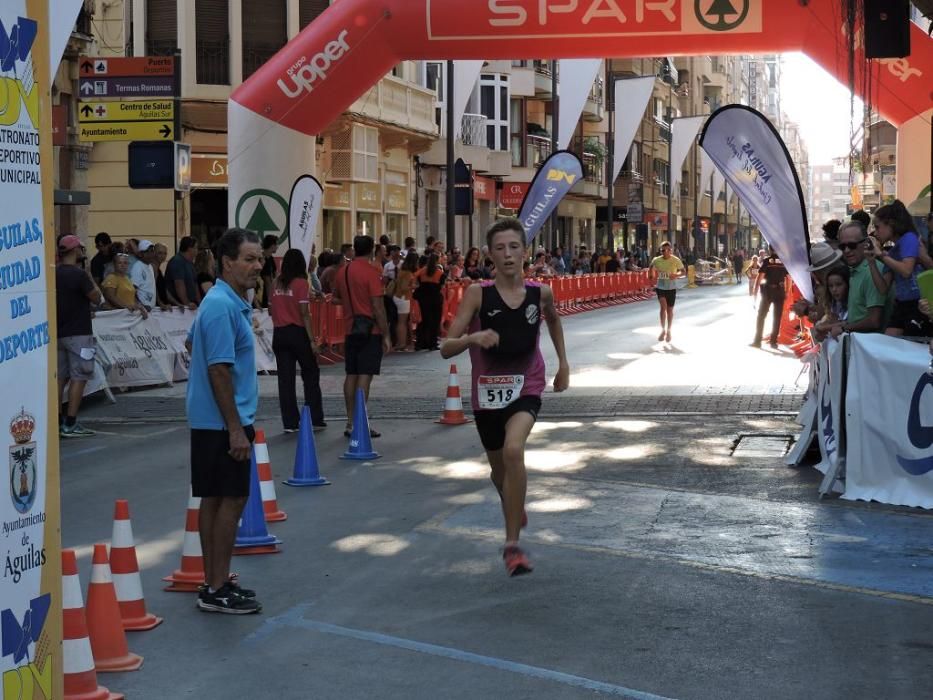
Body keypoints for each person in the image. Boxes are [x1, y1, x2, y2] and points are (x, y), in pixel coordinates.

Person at [441, 218, 570, 576]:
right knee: (500, 473)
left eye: (514, 247)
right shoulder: (477, 294)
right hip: (487, 396)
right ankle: (512, 500)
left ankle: (512, 546)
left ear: (525, 252)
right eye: (500, 248)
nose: (508, 254)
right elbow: (445, 348)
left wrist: (563, 365)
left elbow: (555, 321)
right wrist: (471, 338)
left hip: (527, 384)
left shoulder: (540, 293)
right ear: (489, 255)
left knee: (515, 450)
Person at [186, 228, 263, 614]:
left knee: (216, 500)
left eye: (259, 259)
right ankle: (215, 587)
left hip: (212, 419)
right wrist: (235, 427)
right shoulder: (220, 305)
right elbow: (218, 369)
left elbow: (191, 342)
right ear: (227, 262)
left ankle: (214, 582)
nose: (257, 266)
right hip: (221, 422)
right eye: (249, 259)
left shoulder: (223, 303)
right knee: (231, 499)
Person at [332, 235, 392, 438]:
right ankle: (360, 422)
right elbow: (378, 306)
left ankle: (350, 421)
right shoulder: (371, 272)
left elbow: (335, 297)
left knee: (351, 374)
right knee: (365, 376)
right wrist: (386, 334)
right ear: (371, 250)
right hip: (370, 329)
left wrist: (351, 303)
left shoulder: (343, 271)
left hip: (350, 328)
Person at [269, 249, 326, 433]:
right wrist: (312, 340)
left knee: (285, 380)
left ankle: (290, 422)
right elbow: (304, 314)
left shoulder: (275, 283)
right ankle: (315, 418)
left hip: (279, 333)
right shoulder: (301, 283)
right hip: (298, 333)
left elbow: (270, 310)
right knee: (310, 373)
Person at [57, 235, 103, 438]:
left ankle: (57, 420)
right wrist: (89, 275)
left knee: (59, 377)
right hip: (79, 333)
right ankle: (71, 422)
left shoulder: (54, 273)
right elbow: (97, 297)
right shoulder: (79, 275)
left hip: (58, 333)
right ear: (75, 251)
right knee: (80, 375)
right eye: (82, 249)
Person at [867, 200, 928, 337]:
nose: (875, 232)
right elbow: (883, 289)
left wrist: (882, 256)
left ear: (891, 224)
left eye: (878, 227)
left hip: (918, 303)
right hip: (901, 304)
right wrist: (872, 262)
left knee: (912, 342)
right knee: (888, 342)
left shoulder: (909, 239)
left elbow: (906, 270)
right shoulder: (893, 252)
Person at [831, 220, 887, 334]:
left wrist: (844, 328)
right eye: (842, 246)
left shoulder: (872, 271)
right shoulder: (855, 269)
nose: (847, 250)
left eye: (852, 245)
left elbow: (874, 321)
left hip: (870, 346)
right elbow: (857, 317)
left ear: (866, 243)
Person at [751, 245, 788, 349]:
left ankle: (757, 341)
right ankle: (773, 341)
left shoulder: (767, 261)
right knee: (777, 317)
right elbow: (788, 278)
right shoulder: (783, 262)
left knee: (761, 316)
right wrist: (787, 292)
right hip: (780, 292)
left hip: (768, 292)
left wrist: (755, 292)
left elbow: (760, 277)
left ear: (770, 250)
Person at [649, 241, 685, 343]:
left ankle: (669, 331)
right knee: (663, 307)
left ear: (671, 250)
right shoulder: (657, 260)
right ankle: (662, 330)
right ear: (661, 251)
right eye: (663, 250)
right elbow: (651, 266)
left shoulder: (675, 260)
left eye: (668, 250)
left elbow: (683, 271)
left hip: (671, 288)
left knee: (669, 310)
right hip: (660, 287)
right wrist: (650, 275)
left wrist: (676, 275)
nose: (665, 252)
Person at [413, 252, 446, 350]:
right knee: (435, 320)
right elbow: (442, 286)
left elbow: (415, 279)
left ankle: (421, 342)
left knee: (424, 320)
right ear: (437, 261)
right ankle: (432, 343)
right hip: (435, 298)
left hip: (423, 297)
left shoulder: (422, 271)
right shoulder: (439, 273)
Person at [101, 253, 148, 318]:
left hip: (130, 315)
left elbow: (132, 296)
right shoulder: (111, 278)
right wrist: (126, 306)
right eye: (119, 263)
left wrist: (140, 307)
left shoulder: (127, 278)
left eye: (125, 263)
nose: (123, 265)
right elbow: (111, 297)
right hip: (118, 316)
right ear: (114, 264)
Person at [813, 266, 849, 341]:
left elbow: (849, 322)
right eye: (831, 286)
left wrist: (825, 327)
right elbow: (833, 320)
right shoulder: (835, 303)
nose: (834, 289)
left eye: (839, 285)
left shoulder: (852, 301)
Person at [392, 251, 419, 351]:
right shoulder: (407, 273)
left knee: (400, 322)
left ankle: (400, 342)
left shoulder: (402, 270)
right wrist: (414, 286)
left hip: (399, 296)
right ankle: (402, 343)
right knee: (402, 322)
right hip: (403, 297)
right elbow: (404, 287)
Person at [165, 236, 201, 309]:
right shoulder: (177, 262)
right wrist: (187, 304)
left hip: (192, 305)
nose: (197, 250)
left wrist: (200, 303)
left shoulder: (190, 263)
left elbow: (195, 284)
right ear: (189, 248)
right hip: (180, 308)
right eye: (196, 247)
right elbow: (179, 285)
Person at [130, 240, 158, 310]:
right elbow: (132, 290)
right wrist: (141, 306)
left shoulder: (150, 266)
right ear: (140, 254)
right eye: (148, 252)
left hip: (150, 309)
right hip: (141, 311)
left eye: (152, 251)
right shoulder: (137, 267)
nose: (151, 254)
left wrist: (160, 303)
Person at [259, 235, 279, 308]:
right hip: (262, 294)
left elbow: (275, 274)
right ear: (272, 245)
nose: (278, 246)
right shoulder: (262, 258)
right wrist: (270, 301)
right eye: (277, 244)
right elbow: (267, 282)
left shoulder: (270, 258)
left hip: (269, 292)